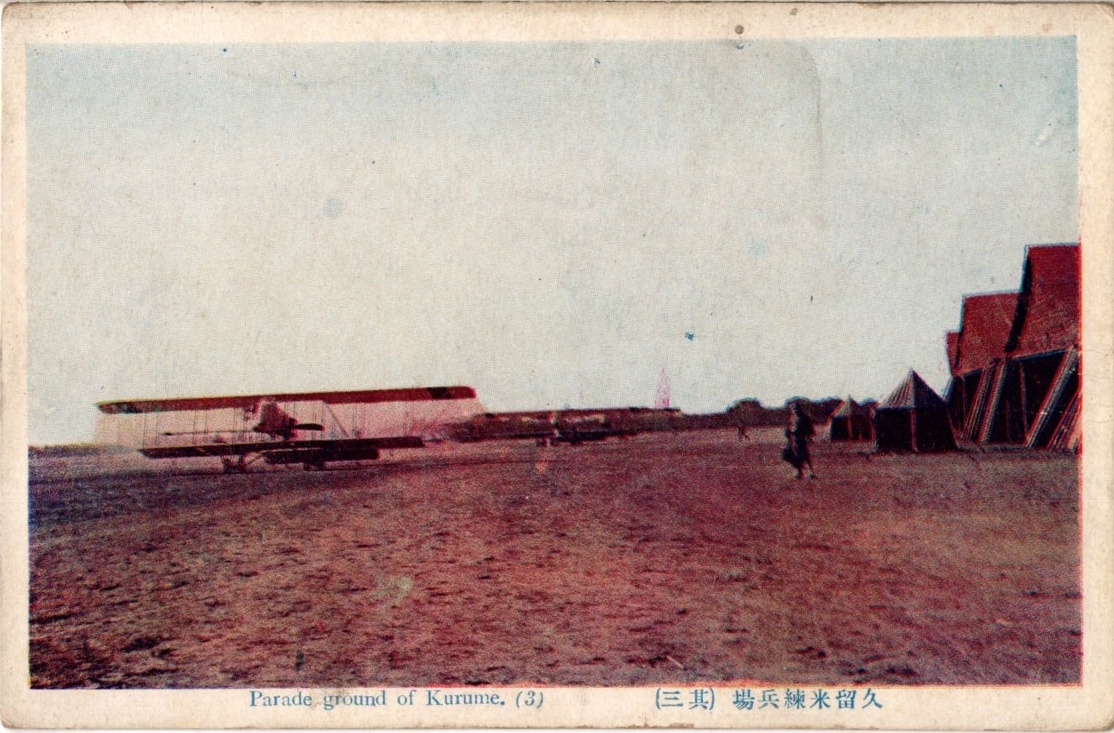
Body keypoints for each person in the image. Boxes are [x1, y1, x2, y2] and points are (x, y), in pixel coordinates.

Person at [787, 401, 816, 479]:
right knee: (795, 457)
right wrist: (789, 433)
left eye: (796, 409)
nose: (795, 410)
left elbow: (810, 429)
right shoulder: (793, 418)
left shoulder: (804, 417)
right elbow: (791, 428)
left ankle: (811, 472)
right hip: (794, 440)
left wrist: (808, 437)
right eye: (793, 409)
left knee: (805, 456)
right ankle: (799, 473)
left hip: (802, 440)